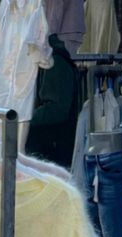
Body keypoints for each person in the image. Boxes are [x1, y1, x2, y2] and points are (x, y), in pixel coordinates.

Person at [25, 33, 80, 167]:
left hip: (53, 148)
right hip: (50, 147)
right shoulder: (47, 61)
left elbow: (57, 110)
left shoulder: (55, 64)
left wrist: (25, 117)